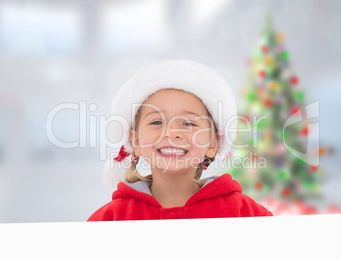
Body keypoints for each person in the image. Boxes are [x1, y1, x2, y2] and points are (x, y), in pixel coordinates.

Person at [88, 59, 273, 221]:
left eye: (188, 123)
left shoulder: (244, 212)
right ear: (135, 141)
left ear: (212, 144)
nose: (172, 132)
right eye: (157, 121)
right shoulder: (111, 218)